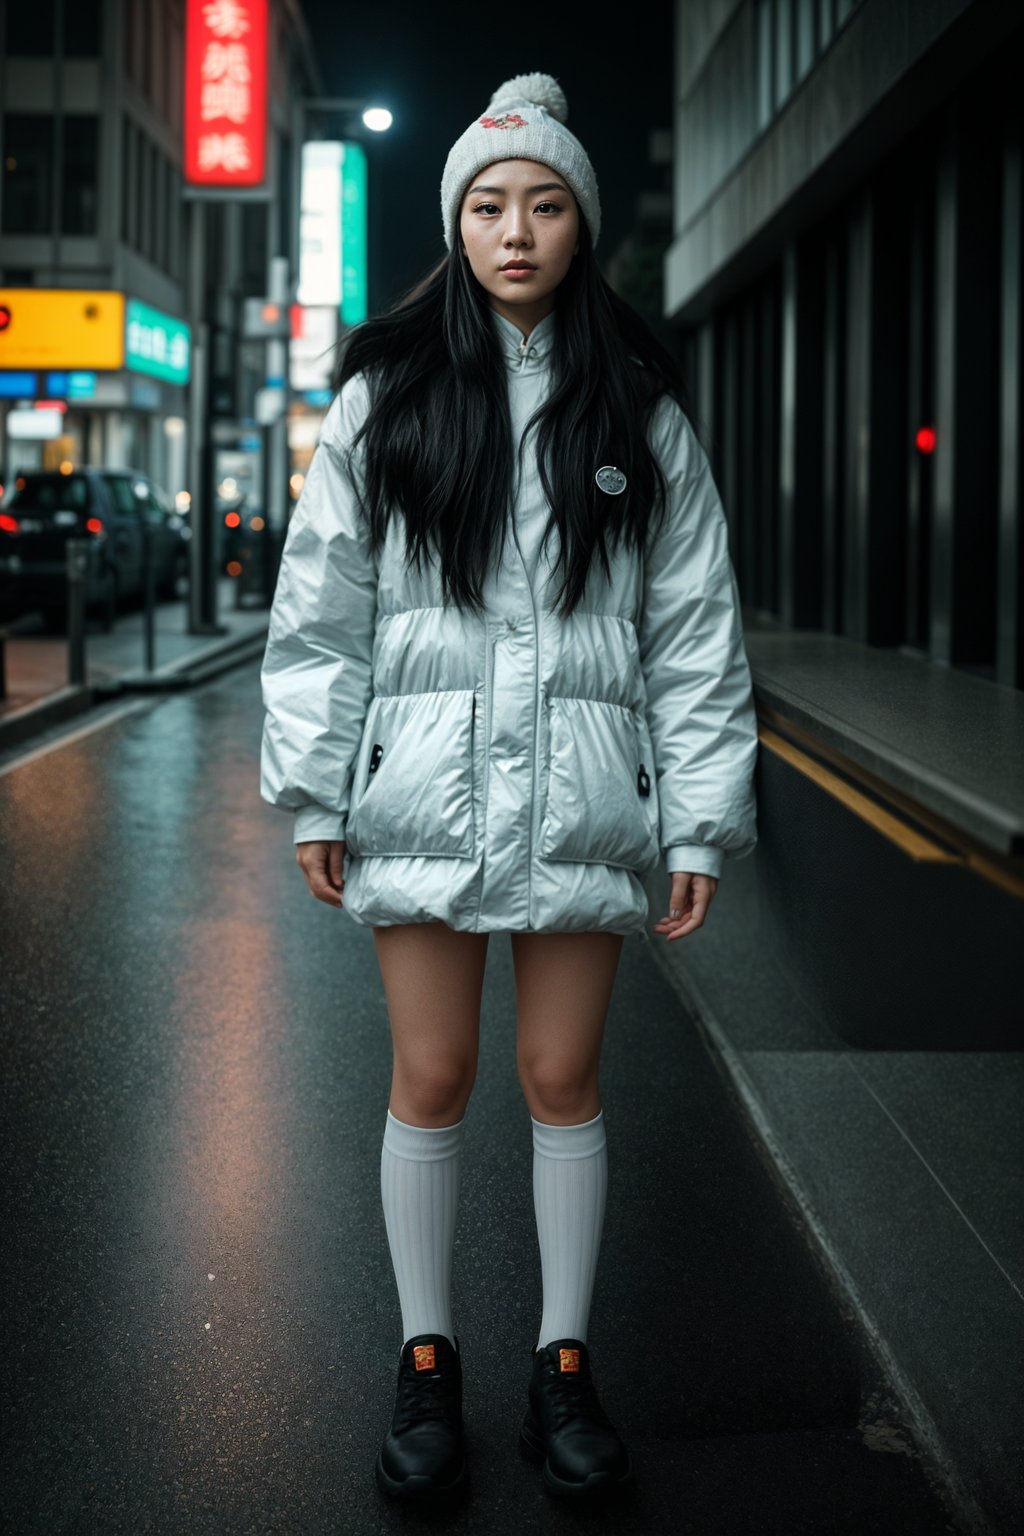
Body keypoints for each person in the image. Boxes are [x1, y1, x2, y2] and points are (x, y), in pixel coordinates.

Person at [259, 71, 759, 1504]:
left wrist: (702, 814)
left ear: (579, 226)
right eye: (489, 206)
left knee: (559, 1076)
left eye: (545, 204)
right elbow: (322, 608)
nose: (517, 230)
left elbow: (694, 630)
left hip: (585, 797)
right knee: (435, 1073)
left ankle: (562, 1365)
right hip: (418, 793)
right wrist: (316, 791)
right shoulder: (388, 396)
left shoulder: (638, 413)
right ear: (457, 228)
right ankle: (427, 1365)